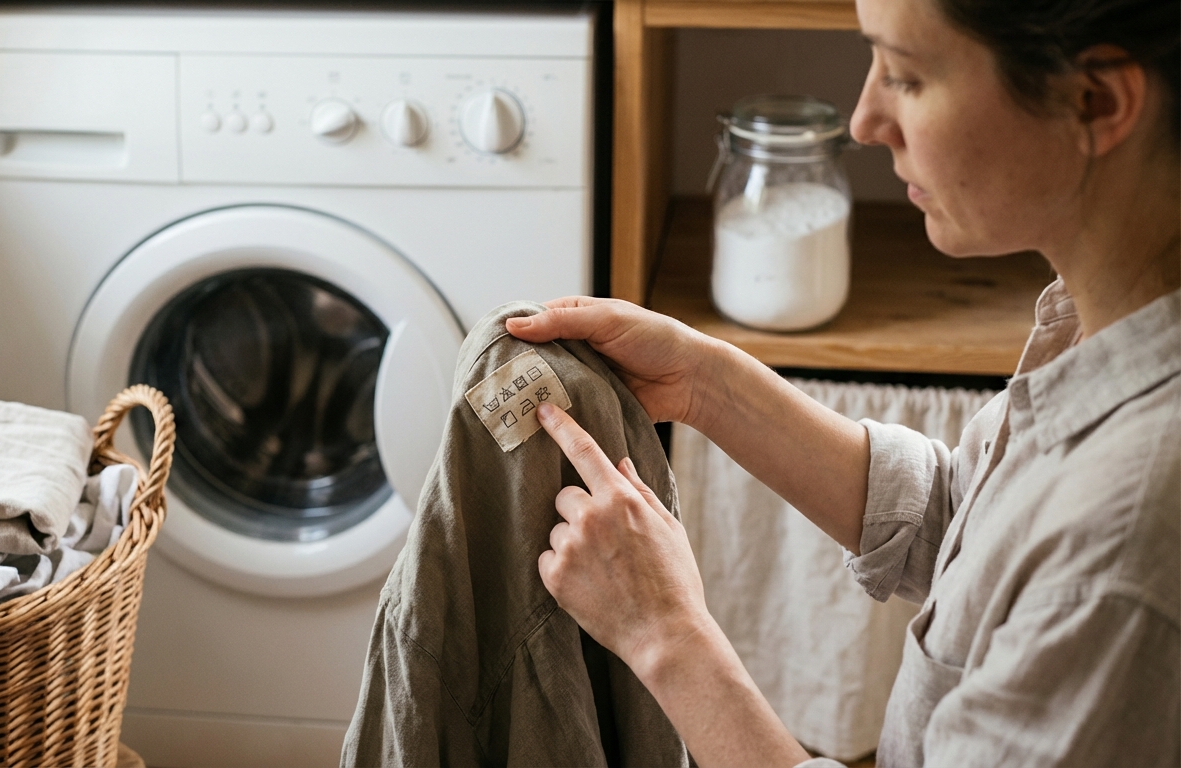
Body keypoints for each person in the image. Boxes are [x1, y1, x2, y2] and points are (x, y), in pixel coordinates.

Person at [505, 0, 1180, 765]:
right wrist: (704, 379)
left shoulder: (1123, 549)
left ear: (1096, 102)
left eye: (905, 75)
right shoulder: (1103, 330)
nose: (863, 121)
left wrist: (665, 635)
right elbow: (969, 526)